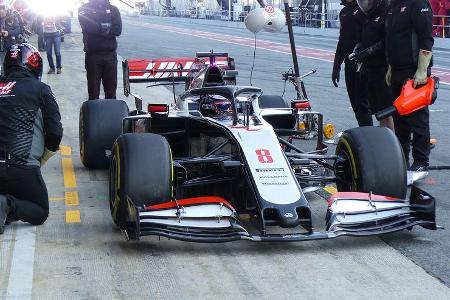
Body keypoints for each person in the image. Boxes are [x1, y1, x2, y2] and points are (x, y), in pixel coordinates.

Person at [0, 43, 63, 233]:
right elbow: (55, 133)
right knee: (40, 211)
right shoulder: (41, 89)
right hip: (21, 167)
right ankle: (8, 206)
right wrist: (42, 158)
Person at [385, 0, 434, 171]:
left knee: (418, 120)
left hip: (414, 72)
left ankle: (421, 161)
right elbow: (392, 38)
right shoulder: (393, 6)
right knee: (400, 120)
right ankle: (402, 160)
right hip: (397, 70)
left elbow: (426, 37)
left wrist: (422, 69)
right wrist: (390, 66)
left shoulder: (418, 3)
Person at [349, 0, 394, 130]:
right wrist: (359, 49)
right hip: (371, 68)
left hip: (383, 67)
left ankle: (392, 140)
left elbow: (386, 41)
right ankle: (384, 136)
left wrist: (366, 52)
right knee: (379, 110)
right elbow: (365, 38)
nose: (363, 4)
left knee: (387, 110)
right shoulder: (369, 15)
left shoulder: (386, 12)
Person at [332, 0, 373, 127]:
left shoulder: (364, 9)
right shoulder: (344, 12)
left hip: (363, 63)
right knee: (355, 103)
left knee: (363, 103)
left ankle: (369, 133)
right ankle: (365, 130)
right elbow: (342, 39)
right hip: (349, 63)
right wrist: (336, 65)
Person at [78, 0, 122, 100]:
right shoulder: (84, 9)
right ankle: (95, 115)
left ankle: (110, 115)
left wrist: (98, 27)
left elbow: (118, 30)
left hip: (110, 56)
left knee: (111, 94)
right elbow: (89, 27)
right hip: (93, 56)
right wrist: (107, 27)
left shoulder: (113, 9)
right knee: (93, 94)